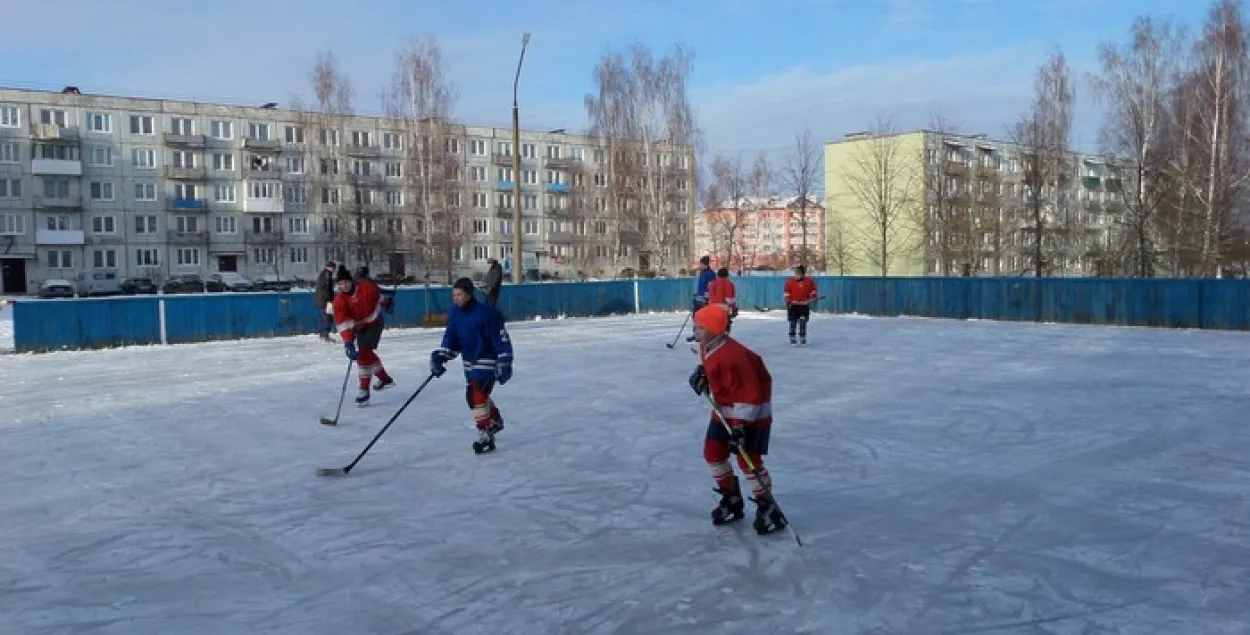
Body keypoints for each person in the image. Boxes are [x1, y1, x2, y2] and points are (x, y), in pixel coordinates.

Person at [687, 305, 787, 536]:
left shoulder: (736, 357)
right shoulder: (706, 345)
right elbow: (711, 367)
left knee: (747, 460)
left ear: (715, 330)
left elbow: (750, 393)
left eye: (701, 327)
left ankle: (768, 506)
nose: (696, 331)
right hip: (724, 409)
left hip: (751, 413)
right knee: (713, 452)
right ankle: (732, 498)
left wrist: (740, 427)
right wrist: (703, 374)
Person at [429, 277, 514, 454]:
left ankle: (486, 434)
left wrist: (504, 361)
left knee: (476, 394)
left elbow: (501, 339)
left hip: (488, 359)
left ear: (469, 294)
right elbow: (451, 338)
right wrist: (441, 356)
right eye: (454, 295)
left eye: (459, 294)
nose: (456, 298)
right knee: (474, 397)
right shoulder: (455, 313)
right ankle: (495, 420)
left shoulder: (487, 314)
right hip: (469, 361)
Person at [332, 265, 395, 405]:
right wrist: (348, 342)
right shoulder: (339, 301)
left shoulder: (366, 287)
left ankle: (364, 389)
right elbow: (342, 323)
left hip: (374, 321)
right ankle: (384, 378)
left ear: (352, 281)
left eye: (346, 282)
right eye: (341, 284)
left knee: (364, 352)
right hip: (358, 326)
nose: (344, 286)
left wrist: (387, 303)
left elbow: (379, 297)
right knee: (364, 354)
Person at [783, 265, 819, 346]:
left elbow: (813, 291)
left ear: (803, 274)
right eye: (795, 274)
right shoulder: (790, 282)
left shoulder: (809, 281)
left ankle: (802, 337)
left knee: (803, 321)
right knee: (793, 322)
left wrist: (811, 298)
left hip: (804, 306)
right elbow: (786, 293)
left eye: (798, 274)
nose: (796, 276)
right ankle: (792, 337)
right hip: (793, 306)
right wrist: (790, 301)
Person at [685, 256, 718, 342]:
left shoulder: (709, 274)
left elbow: (710, 287)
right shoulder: (704, 272)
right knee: (697, 316)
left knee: (700, 316)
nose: (700, 265)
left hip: (704, 299)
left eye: (701, 263)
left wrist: (704, 297)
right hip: (701, 297)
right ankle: (697, 334)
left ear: (704, 264)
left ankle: (701, 335)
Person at [706, 267, 738, 333]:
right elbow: (730, 299)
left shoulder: (712, 283)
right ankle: (724, 335)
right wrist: (734, 308)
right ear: (727, 275)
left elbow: (709, 296)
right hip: (723, 307)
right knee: (725, 325)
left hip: (712, 307)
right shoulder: (729, 283)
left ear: (718, 275)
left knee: (714, 325)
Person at [314, 261, 337, 342]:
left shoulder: (323, 274)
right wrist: (330, 300)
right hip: (325, 300)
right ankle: (326, 335)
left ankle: (322, 334)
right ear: (331, 267)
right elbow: (326, 288)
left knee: (323, 317)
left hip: (321, 300)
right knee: (327, 317)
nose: (334, 270)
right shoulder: (327, 275)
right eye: (334, 268)